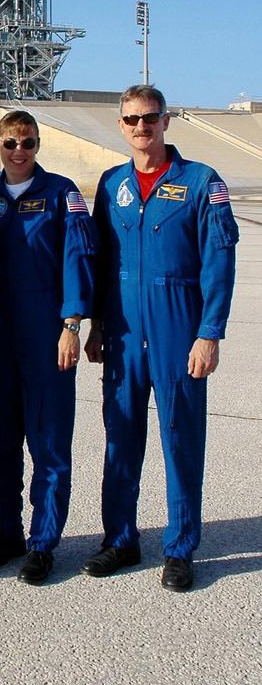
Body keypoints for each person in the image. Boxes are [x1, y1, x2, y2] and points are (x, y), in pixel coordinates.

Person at [83, 84, 239, 591]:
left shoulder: (200, 182)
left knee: (180, 436)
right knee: (120, 437)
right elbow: (102, 264)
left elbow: (219, 261)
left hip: (179, 330)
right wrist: (97, 325)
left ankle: (179, 547)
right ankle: (121, 540)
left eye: (150, 117)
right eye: (131, 120)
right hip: (125, 334)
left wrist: (209, 332)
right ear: (121, 125)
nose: (141, 127)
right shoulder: (112, 186)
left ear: (167, 121)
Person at [0, 111, 96, 584]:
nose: (18, 151)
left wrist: (72, 323)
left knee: (48, 443)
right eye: (9, 143)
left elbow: (78, 258)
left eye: (26, 142)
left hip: (47, 337)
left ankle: (43, 543)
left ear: (38, 143)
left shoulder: (62, 194)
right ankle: (7, 534)